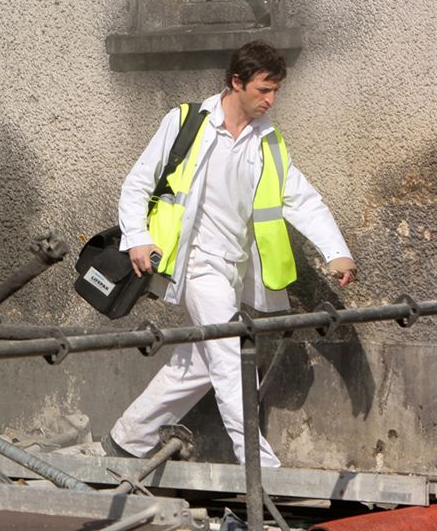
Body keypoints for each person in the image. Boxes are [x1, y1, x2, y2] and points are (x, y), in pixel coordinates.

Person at [103, 41, 357, 467]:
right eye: (263, 90)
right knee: (232, 356)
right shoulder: (188, 122)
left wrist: (336, 252)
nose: (270, 100)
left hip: (234, 270)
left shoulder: (267, 141)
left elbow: (302, 199)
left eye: (276, 91)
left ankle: (128, 439)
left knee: (202, 362)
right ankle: (263, 472)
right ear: (236, 82)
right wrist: (138, 237)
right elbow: (137, 183)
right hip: (195, 264)